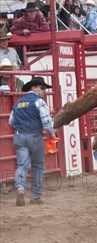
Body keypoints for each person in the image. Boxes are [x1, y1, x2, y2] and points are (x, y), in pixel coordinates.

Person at [8, 76, 55, 206]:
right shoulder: (39, 102)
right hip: (34, 136)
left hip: (18, 136)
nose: (44, 91)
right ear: (34, 87)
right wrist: (52, 134)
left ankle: (20, 188)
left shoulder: (18, 103)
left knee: (22, 165)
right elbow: (47, 123)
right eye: (42, 88)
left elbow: (11, 121)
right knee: (38, 166)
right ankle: (36, 196)